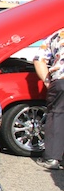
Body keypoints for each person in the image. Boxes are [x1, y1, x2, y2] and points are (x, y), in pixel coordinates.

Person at [33, 29, 64, 170]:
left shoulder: (59, 34)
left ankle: (53, 158)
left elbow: (39, 59)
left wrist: (47, 81)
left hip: (61, 81)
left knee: (57, 115)